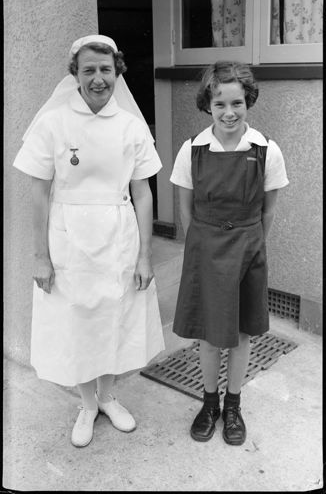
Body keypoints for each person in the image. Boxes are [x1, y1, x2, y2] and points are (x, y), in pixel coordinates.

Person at [13, 35, 165, 448]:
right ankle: (86, 404)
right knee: (78, 322)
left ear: (117, 71)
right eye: (88, 71)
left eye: (105, 69)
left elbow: (144, 193)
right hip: (68, 240)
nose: (98, 79)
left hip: (119, 235)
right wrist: (40, 257)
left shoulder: (132, 126)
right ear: (75, 75)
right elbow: (39, 193)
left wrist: (145, 255)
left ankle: (109, 397)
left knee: (115, 317)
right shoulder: (54, 123)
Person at [170, 61, 289, 445]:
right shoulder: (192, 150)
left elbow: (268, 210)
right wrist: (201, 245)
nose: (229, 112)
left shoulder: (266, 150)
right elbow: (185, 210)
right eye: (219, 104)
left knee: (239, 334)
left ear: (248, 101)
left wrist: (251, 243)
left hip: (247, 249)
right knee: (208, 335)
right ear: (208, 104)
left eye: (237, 103)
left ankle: (233, 405)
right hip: (205, 250)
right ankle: (209, 404)